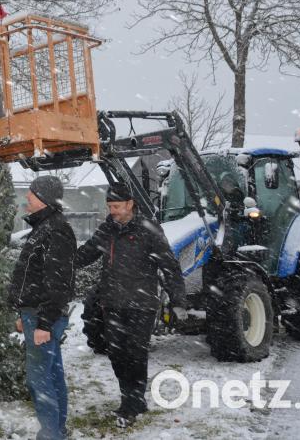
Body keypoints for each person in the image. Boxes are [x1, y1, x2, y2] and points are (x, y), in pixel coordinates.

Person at [74, 183, 187, 428]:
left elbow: (169, 265)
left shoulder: (148, 229)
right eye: (109, 206)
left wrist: (178, 301)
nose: (112, 211)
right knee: (116, 353)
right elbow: (87, 253)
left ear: (129, 204)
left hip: (141, 304)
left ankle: (132, 402)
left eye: (116, 206)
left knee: (135, 353)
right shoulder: (108, 229)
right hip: (113, 302)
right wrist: (64, 262)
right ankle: (131, 397)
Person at [7, 175, 76, 440]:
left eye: (32, 194)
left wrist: (44, 322)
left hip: (43, 316)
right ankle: (57, 431)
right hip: (34, 314)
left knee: (39, 380)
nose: (27, 197)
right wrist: (23, 313)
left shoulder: (55, 230)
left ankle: (51, 434)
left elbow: (58, 282)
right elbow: (31, 276)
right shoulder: (44, 227)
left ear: (44, 198)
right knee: (52, 373)